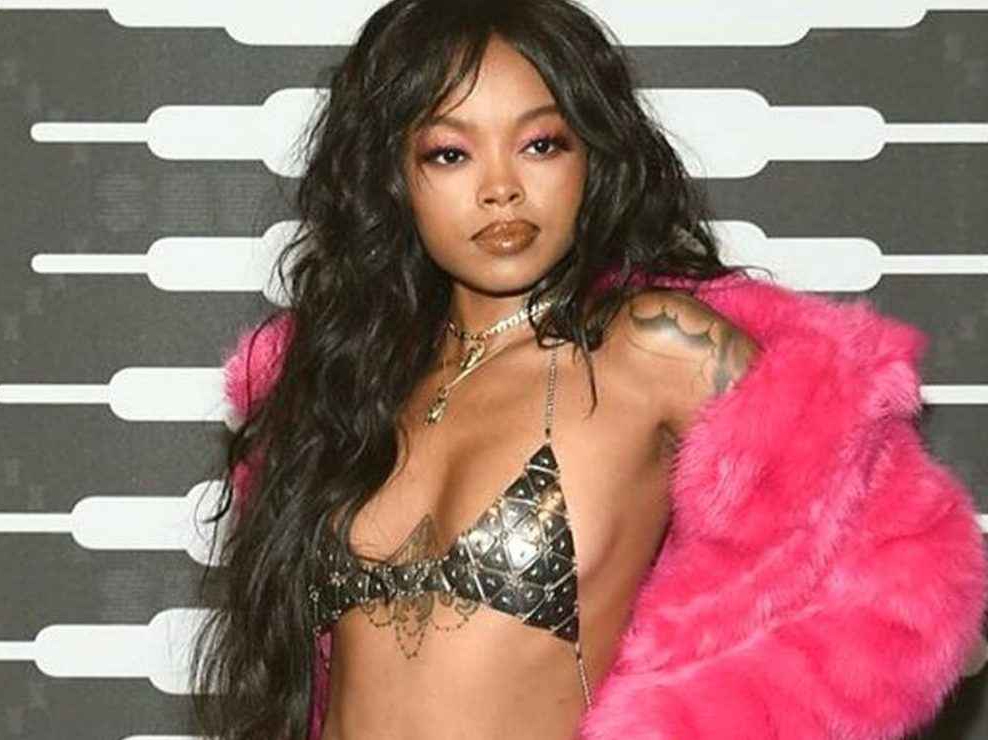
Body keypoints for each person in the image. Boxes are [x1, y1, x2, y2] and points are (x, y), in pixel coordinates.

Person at [189, 2, 988, 739]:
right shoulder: (344, 381)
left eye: (541, 144)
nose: (501, 188)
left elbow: (916, 589)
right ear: (392, 177)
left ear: (591, 157)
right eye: (450, 152)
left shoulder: (656, 347)